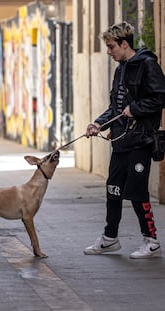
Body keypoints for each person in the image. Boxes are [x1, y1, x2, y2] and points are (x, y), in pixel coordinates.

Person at [84, 21, 165, 259]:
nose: (108, 51)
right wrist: (98, 123)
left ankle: (151, 241)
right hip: (120, 139)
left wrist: (136, 108)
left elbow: (160, 97)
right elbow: (116, 107)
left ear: (124, 44)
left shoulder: (148, 64)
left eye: (111, 47)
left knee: (138, 191)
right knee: (113, 189)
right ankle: (110, 239)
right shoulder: (120, 69)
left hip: (141, 139)